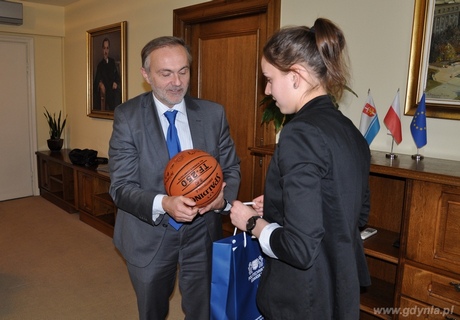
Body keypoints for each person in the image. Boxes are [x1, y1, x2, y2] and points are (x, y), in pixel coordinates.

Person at [230, 18, 371, 319]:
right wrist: (282, 206)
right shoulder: (350, 130)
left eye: (269, 79)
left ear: (296, 75)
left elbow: (300, 248)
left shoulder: (300, 133)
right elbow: (355, 212)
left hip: (304, 297)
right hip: (340, 286)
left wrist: (252, 222)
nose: (267, 90)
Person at [108, 36, 241, 320]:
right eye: (165, 73)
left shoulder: (212, 113)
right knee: (152, 311)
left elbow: (231, 169)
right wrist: (164, 203)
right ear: (146, 75)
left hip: (201, 233)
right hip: (148, 233)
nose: (177, 82)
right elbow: (120, 187)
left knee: (202, 311)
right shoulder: (128, 117)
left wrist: (221, 201)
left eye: (183, 71)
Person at [93, 38, 121, 110]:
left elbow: (117, 77)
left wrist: (115, 83)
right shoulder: (100, 65)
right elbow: (96, 81)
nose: (106, 51)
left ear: (109, 49)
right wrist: (100, 84)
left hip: (113, 89)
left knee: (118, 94)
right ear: (102, 49)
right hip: (106, 90)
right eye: (104, 48)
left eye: (107, 48)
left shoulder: (112, 61)